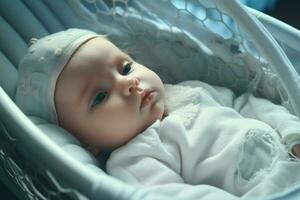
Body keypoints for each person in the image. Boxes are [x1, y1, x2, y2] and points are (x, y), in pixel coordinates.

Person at [15, 28, 300, 198]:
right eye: (100, 97)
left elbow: (246, 104)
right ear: (88, 142)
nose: (129, 83)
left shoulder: (188, 90)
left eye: (125, 68)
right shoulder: (135, 160)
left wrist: (291, 132)